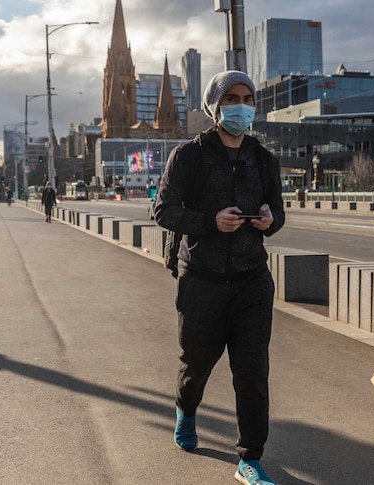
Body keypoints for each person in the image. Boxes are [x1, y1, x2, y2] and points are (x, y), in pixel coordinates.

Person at [153, 70, 285, 485]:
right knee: (196, 361)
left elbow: (277, 212)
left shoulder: (263, 159)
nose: (241, 105)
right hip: (203, 280)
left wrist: (267, 221)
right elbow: (163, 211)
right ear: (215, 106)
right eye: (232, 98)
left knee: (252, 372)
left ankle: (250, 458)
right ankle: (186, 410)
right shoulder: (189, 155)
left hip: (251, 280)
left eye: (247, 97)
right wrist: (210, 221)